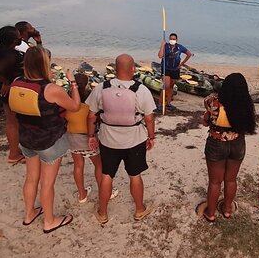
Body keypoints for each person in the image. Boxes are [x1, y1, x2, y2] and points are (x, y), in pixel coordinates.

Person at [9, 46, 80, 233]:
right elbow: (74, 106)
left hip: (26, 139)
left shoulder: (16, 83)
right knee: (47, 184)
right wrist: (73, 83)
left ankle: (29, 213)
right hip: (49, 141)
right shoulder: (51, 89)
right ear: (45, 64)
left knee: (31, 178)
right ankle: (49, 221)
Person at [87, 54, 157, 223]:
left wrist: (91, 135)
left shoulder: (101, 88)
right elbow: (149, 119)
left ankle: (102, 213)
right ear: (133, 69)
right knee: (135, 175)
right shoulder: (141, 90)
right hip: (134, 140)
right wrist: (151, 136)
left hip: (108, 139)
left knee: (107, 175)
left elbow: (90, 116)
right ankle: (139, 210)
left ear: (115, 69)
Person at [195, 73, 256, 222]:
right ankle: (227, 209)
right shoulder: (246, 103)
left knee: (215, 181)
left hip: (216, 143)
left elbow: (207, 109)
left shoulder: (213, 101)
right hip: (237, 143)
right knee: (230, 180)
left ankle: (210, 213)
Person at [65, 73, 106, 204]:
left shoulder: (68, 101)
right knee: (99, 165)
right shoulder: (91, 101)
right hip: (88, 136)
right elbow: (97, 117)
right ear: (87, 84)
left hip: (72, 136)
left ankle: (82, 194)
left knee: (78, 166)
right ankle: (103, 191)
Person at [0, 26, 25, 164]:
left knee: (12, 121)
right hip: (11, 90)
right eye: (18, 37)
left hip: (6, 89)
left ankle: (16, 151)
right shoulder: (10, 54)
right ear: (12, 40)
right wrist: (6, 82)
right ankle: (14, 154)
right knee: (13, 122)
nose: (21, 38)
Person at [156, 32, 192, 112]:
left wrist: (182, 64)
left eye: (174, 39)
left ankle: (168, 103)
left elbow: (189, 54)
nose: (172, 40)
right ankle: (160, 104)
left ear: (177, 39)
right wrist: (162, 45)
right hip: (166, 69)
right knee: (166, 86)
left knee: (171, 87)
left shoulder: (180, 47)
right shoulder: (166, 46)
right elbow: (160, 56)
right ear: (169, 39)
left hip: (175, 69)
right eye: (171, 39)